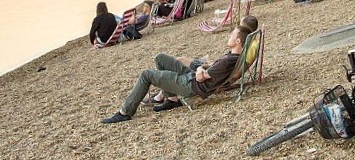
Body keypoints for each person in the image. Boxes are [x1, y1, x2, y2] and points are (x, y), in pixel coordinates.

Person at [100, 26, 251, 123]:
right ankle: (172, 99)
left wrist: (200, 69)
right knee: (160, 58)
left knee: (147, 75)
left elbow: (201, 77)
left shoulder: (229, 61)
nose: (229, 36)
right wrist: (201, 67)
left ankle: (125, 112)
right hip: (191, 77)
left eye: (232, 34)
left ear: (238, 40)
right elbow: (209, 68)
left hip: (191, 85)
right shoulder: (231, 56)